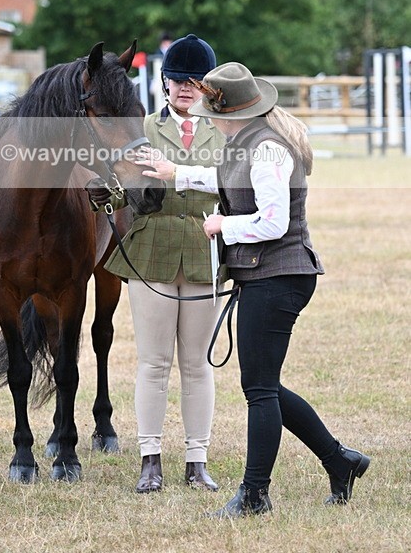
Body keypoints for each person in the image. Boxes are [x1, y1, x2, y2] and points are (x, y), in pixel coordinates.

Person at [139, 62, 371, 516]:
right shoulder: (246, 143)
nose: (207, 120)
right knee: (265, 386)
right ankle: (340, 461)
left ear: (229, 114)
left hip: (279, 277)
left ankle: (254, 495)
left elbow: (273, 221)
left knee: (259, 390)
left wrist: (223, 225)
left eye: (211, 113)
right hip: (269, 276)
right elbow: (221, 177)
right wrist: (175, 172)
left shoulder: (266, 150)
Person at [100, 34, 226, 494]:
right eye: (178, 80)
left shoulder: (224, 132)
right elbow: (127, 189)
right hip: (151, 248)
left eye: (195, 81)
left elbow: (233, 186)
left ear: (207, 87)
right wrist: (105, 196)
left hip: (203, 249)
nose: (186, 88)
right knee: (154, 363)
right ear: (165, 83)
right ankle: (149, 459)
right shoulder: (144, 129)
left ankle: (197, 460)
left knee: (197, 364)